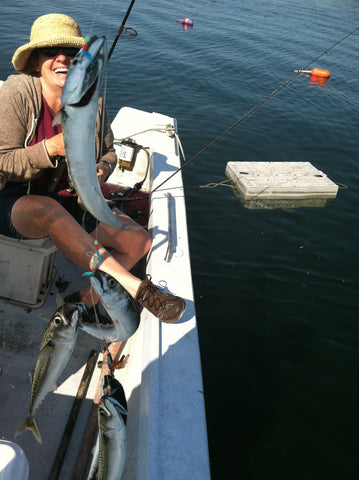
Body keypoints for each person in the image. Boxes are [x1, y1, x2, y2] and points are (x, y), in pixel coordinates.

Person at [0, 13, 185, 324]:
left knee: (139, 242)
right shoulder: (16, 94)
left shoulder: (92, 105)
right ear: (35, 62)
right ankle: (138, 288)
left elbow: (110, 153)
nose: (63, 59)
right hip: (12, 200)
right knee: (47, 209)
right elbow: (3, 160)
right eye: (50, 52)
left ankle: (78, 305)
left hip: (66, 200)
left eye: (72, 53)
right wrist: (51, 149)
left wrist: (101, 170)